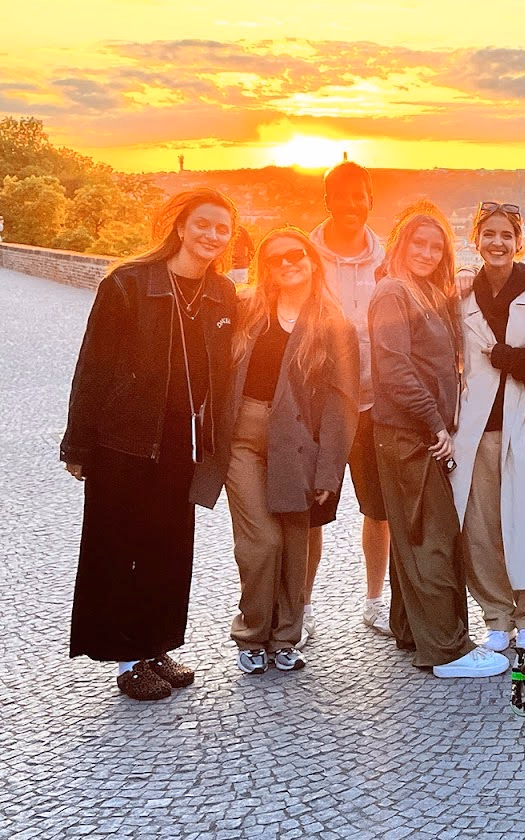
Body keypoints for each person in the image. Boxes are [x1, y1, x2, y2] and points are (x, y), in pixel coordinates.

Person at [61, 188, 240, 700]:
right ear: (181, 227)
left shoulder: (222, 293)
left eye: (222, 228)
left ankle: (157, 644)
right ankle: (126, 660)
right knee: (121, 549)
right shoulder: (128, 284)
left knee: (170, 548)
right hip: (125, 441)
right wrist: (79, 444)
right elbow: (92, 367)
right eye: (202, 224)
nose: (211, 235)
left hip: (183, 444)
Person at [369, 201, 507, 679]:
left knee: (416, 533)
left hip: (413, 431)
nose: (426, 252)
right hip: (409, 434)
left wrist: (465, 276)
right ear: (400, 245)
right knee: (434, 538)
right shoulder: (391, 291)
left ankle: (410, 630)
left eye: (436, 245)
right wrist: (436, 425)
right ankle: (446, 650)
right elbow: (394, 369)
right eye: (418, 243)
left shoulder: (424, 290)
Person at [224, 227, 360, 675]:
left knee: (295, 542)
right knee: (262, 542)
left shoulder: (333, 323)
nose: (287, 263)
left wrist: (329, 473)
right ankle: (251, 632)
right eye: (276, 258)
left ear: (312, 259)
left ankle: (286, 637)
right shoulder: (246, 310)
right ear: (266, 268)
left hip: (299, 443)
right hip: (243, 435)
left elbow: (343, 403)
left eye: (295, 254)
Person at [449, 201, 525, 654]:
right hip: (475, 426)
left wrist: (512, 360)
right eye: (489, 234)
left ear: (521, 242)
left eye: (506, 235)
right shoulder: (461, 296)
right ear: (476, 240)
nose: (497, 243)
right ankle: (495, 613)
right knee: (480, 527)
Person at [308, 161, 393, 640]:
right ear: (329, 201)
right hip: (320, 405)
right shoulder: (309, 257)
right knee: (312, 512)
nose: (351, 205)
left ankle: (374, 600)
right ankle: (303, 605)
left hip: (372, 404)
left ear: (369, 200)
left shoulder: (387, 260)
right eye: (342, 197)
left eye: (359, 196)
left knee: (377, 510)